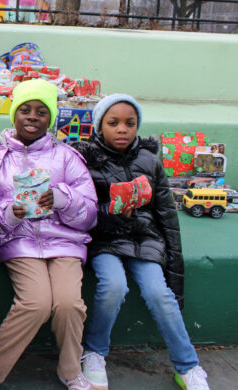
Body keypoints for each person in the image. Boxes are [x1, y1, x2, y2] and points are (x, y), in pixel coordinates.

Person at [71, 94, 211, 390]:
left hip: (145, 242)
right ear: (99, 126)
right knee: (114, 286)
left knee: (160, 294)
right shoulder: (85, 159)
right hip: (105, 241)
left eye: (130, 123)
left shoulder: (150, 162)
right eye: (113, 123)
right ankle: (94, 353)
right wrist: (111, 210)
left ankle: (188, 366)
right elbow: (80, 210)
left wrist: (175, 271)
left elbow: (167, 218)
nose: (122, 129)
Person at [0, 79, 98, 390]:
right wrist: (10, 212)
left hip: (65, 244)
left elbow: (89, 215)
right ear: (14, 114)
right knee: (36, 303)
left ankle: (71, 371)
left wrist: (61, 198)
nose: (32, 116)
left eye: (42, 112)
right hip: (20, 244)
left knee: (69, 304)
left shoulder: (66, 157)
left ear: (51, 118)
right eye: (25, 110)